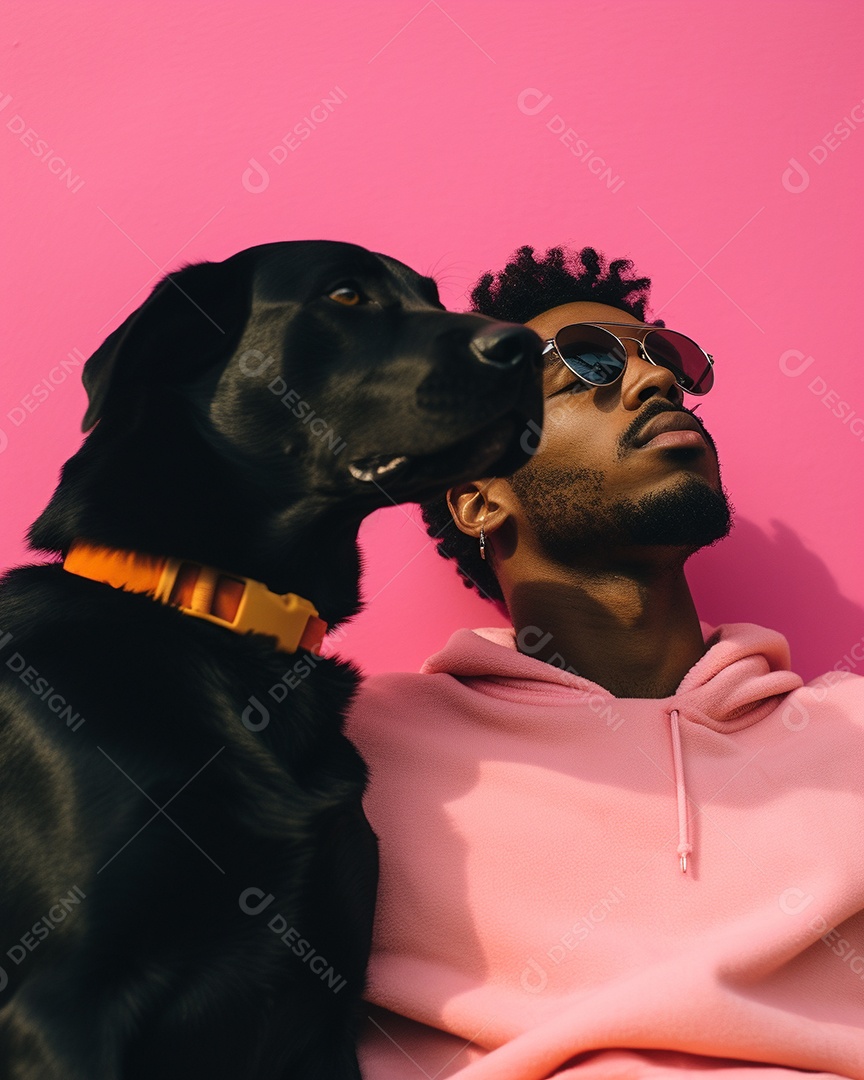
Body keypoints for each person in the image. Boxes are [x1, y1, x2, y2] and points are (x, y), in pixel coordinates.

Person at [345, 245, 864, 1079]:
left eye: (667, 357)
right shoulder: (360, 751)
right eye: (586, 362)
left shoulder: (851, 734)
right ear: (480, 494)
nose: (656, 381)